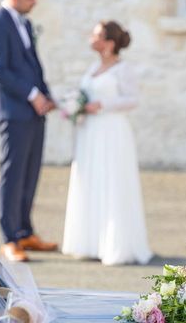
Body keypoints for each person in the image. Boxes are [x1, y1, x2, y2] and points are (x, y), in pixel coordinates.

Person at [62, 21, 152, 265]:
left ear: (110, 43)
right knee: (90, 179)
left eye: (97, 35)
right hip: (89, 132)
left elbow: (132, 100)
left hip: (111, 131)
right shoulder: (93, 67)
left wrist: (102, 105)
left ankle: (115, 244)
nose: (92, 38)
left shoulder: (123, 69)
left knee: (111, 181)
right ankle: (90, 241)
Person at [0, 0, 58, 262]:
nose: (34, 3)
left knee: (31, 171)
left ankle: (25, 230)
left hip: (34, 111)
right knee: (13, 174)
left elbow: (33, 65)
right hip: (12, 111)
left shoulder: (24, 23)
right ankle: (10, 238)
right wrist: (31, 94)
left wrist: (45, 94)